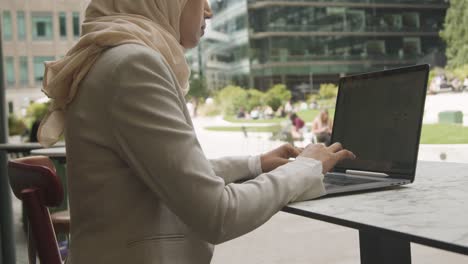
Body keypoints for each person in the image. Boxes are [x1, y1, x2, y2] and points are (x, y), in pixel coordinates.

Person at [36, 1, 355, 263]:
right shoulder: (133, 65)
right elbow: (218, 214)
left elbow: (165, 174)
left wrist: (255, 163)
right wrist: (306, 167)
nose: (209, 11)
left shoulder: (111, 58)